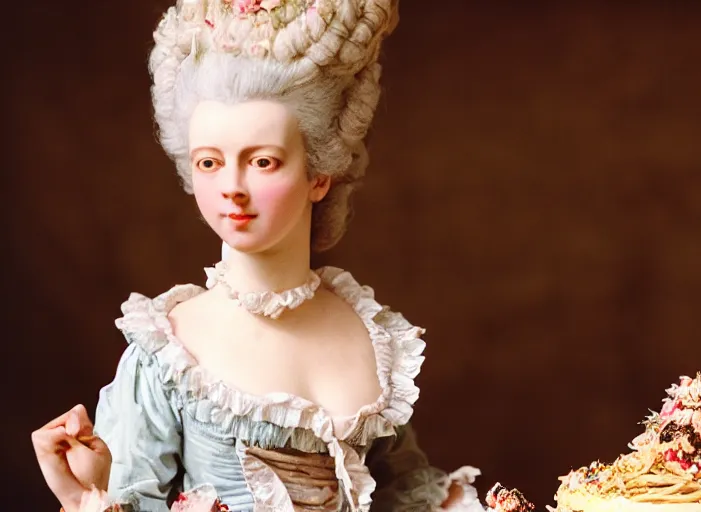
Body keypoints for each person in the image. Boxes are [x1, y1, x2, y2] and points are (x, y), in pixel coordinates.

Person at [30, 0, 489, 510]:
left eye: (263, 162)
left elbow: (407, 494)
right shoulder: (170, 353)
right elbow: (135, 499)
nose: (232, 188)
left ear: (319, 174)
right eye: (209, 162)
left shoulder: (372, 338)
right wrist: (86, 496)